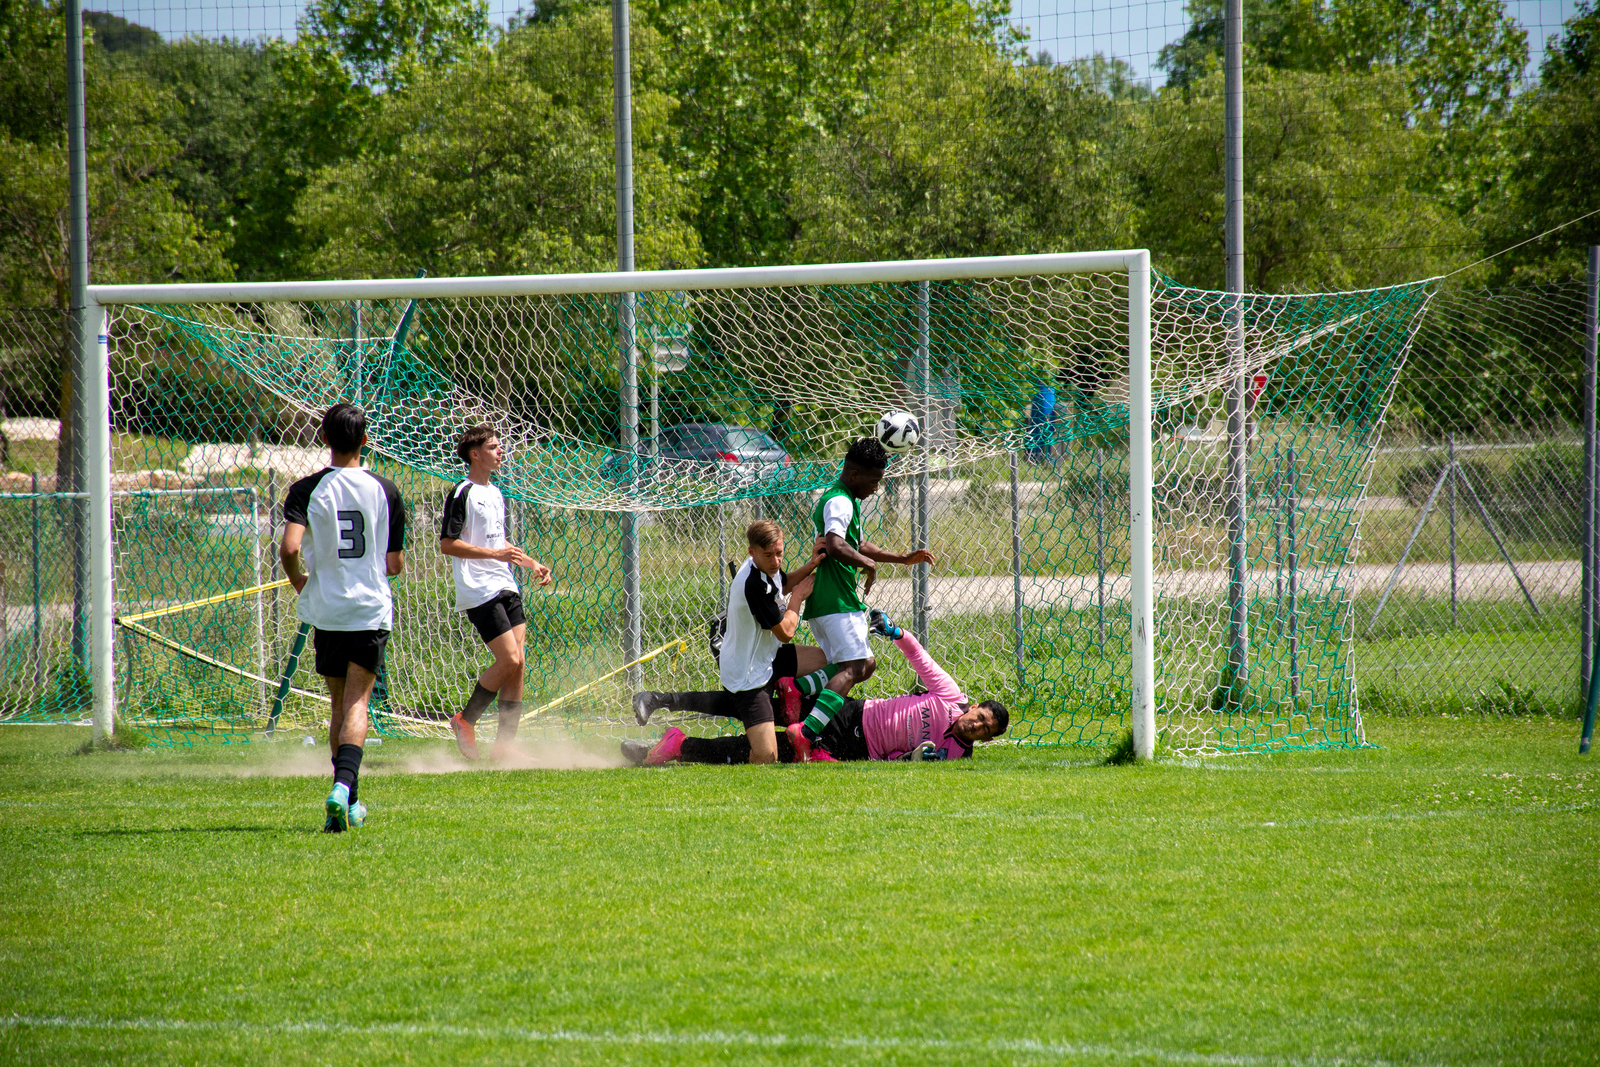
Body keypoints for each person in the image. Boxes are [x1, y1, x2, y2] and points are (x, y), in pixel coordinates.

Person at [624, 609, 1008, 765]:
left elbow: (898, 762)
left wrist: (913, 761)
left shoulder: (956, 756)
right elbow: (920, 658)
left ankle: (676, 746)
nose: (977, 725)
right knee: (751, 707)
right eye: (981, 717)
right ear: (974, 706)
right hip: (848, 712)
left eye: (984, 730)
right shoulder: (950, 696)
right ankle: (661, 700)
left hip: (852, 749)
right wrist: (896, 633)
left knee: (761, 752)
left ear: (986, 739)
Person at [279, 403, 406, 832]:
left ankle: (347, 803)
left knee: (338, 705)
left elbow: (290, 549)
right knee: (357, 703)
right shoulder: (385, 489)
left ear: (325, 439)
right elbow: (394, 564)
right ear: (365, 441)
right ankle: (342, 788)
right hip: (368, 609)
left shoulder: (306, 489)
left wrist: (300, 581)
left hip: (328, 610)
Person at [625, 519, 826, 766]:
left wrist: (811, 565)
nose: (776, 561)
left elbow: (782, 583)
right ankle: (680, 744)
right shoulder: (754, 584)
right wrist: (798, 598)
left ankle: (661, 699)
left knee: (826, 659)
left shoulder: (765, 569)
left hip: (766, 657)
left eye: (779, 553)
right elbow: (786, 632)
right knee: (765, 756)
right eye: (768, 555)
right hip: (749, 676)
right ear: (752, 552)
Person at [794, 436, 933, 743]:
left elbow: (855, 544)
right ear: (855, 475)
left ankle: (796, 690)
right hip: (836, 599)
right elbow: (835, 545)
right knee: (859, 666)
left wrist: (902, 558)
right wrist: (868, 565)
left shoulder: (845, 498)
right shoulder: (840, 501)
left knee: (856, 666)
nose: (877, 487)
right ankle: (807, 733)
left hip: (834, 599)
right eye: (874, 480)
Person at [440, 423, 553, 761]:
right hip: (479, 589)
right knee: (509, 659)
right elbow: (448, 544)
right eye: (493, 447)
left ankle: (504, 746)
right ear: (475, 455)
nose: (500, 451)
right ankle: (465, 720)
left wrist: (532, 563)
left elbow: (498, 541)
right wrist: (494, 554)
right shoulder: (462, 492)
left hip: (505, 583)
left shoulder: (495, 492)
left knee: (519, 665)